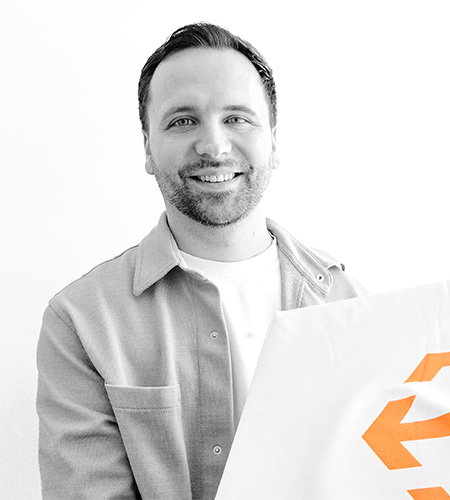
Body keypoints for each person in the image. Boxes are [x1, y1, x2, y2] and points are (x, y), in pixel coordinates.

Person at [36, 22, 366, 500]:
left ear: (273, 142)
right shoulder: (82, 321)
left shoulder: (353, 305)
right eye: (182, 121)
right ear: (148, 148)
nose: (214, 146)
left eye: (237, 118)